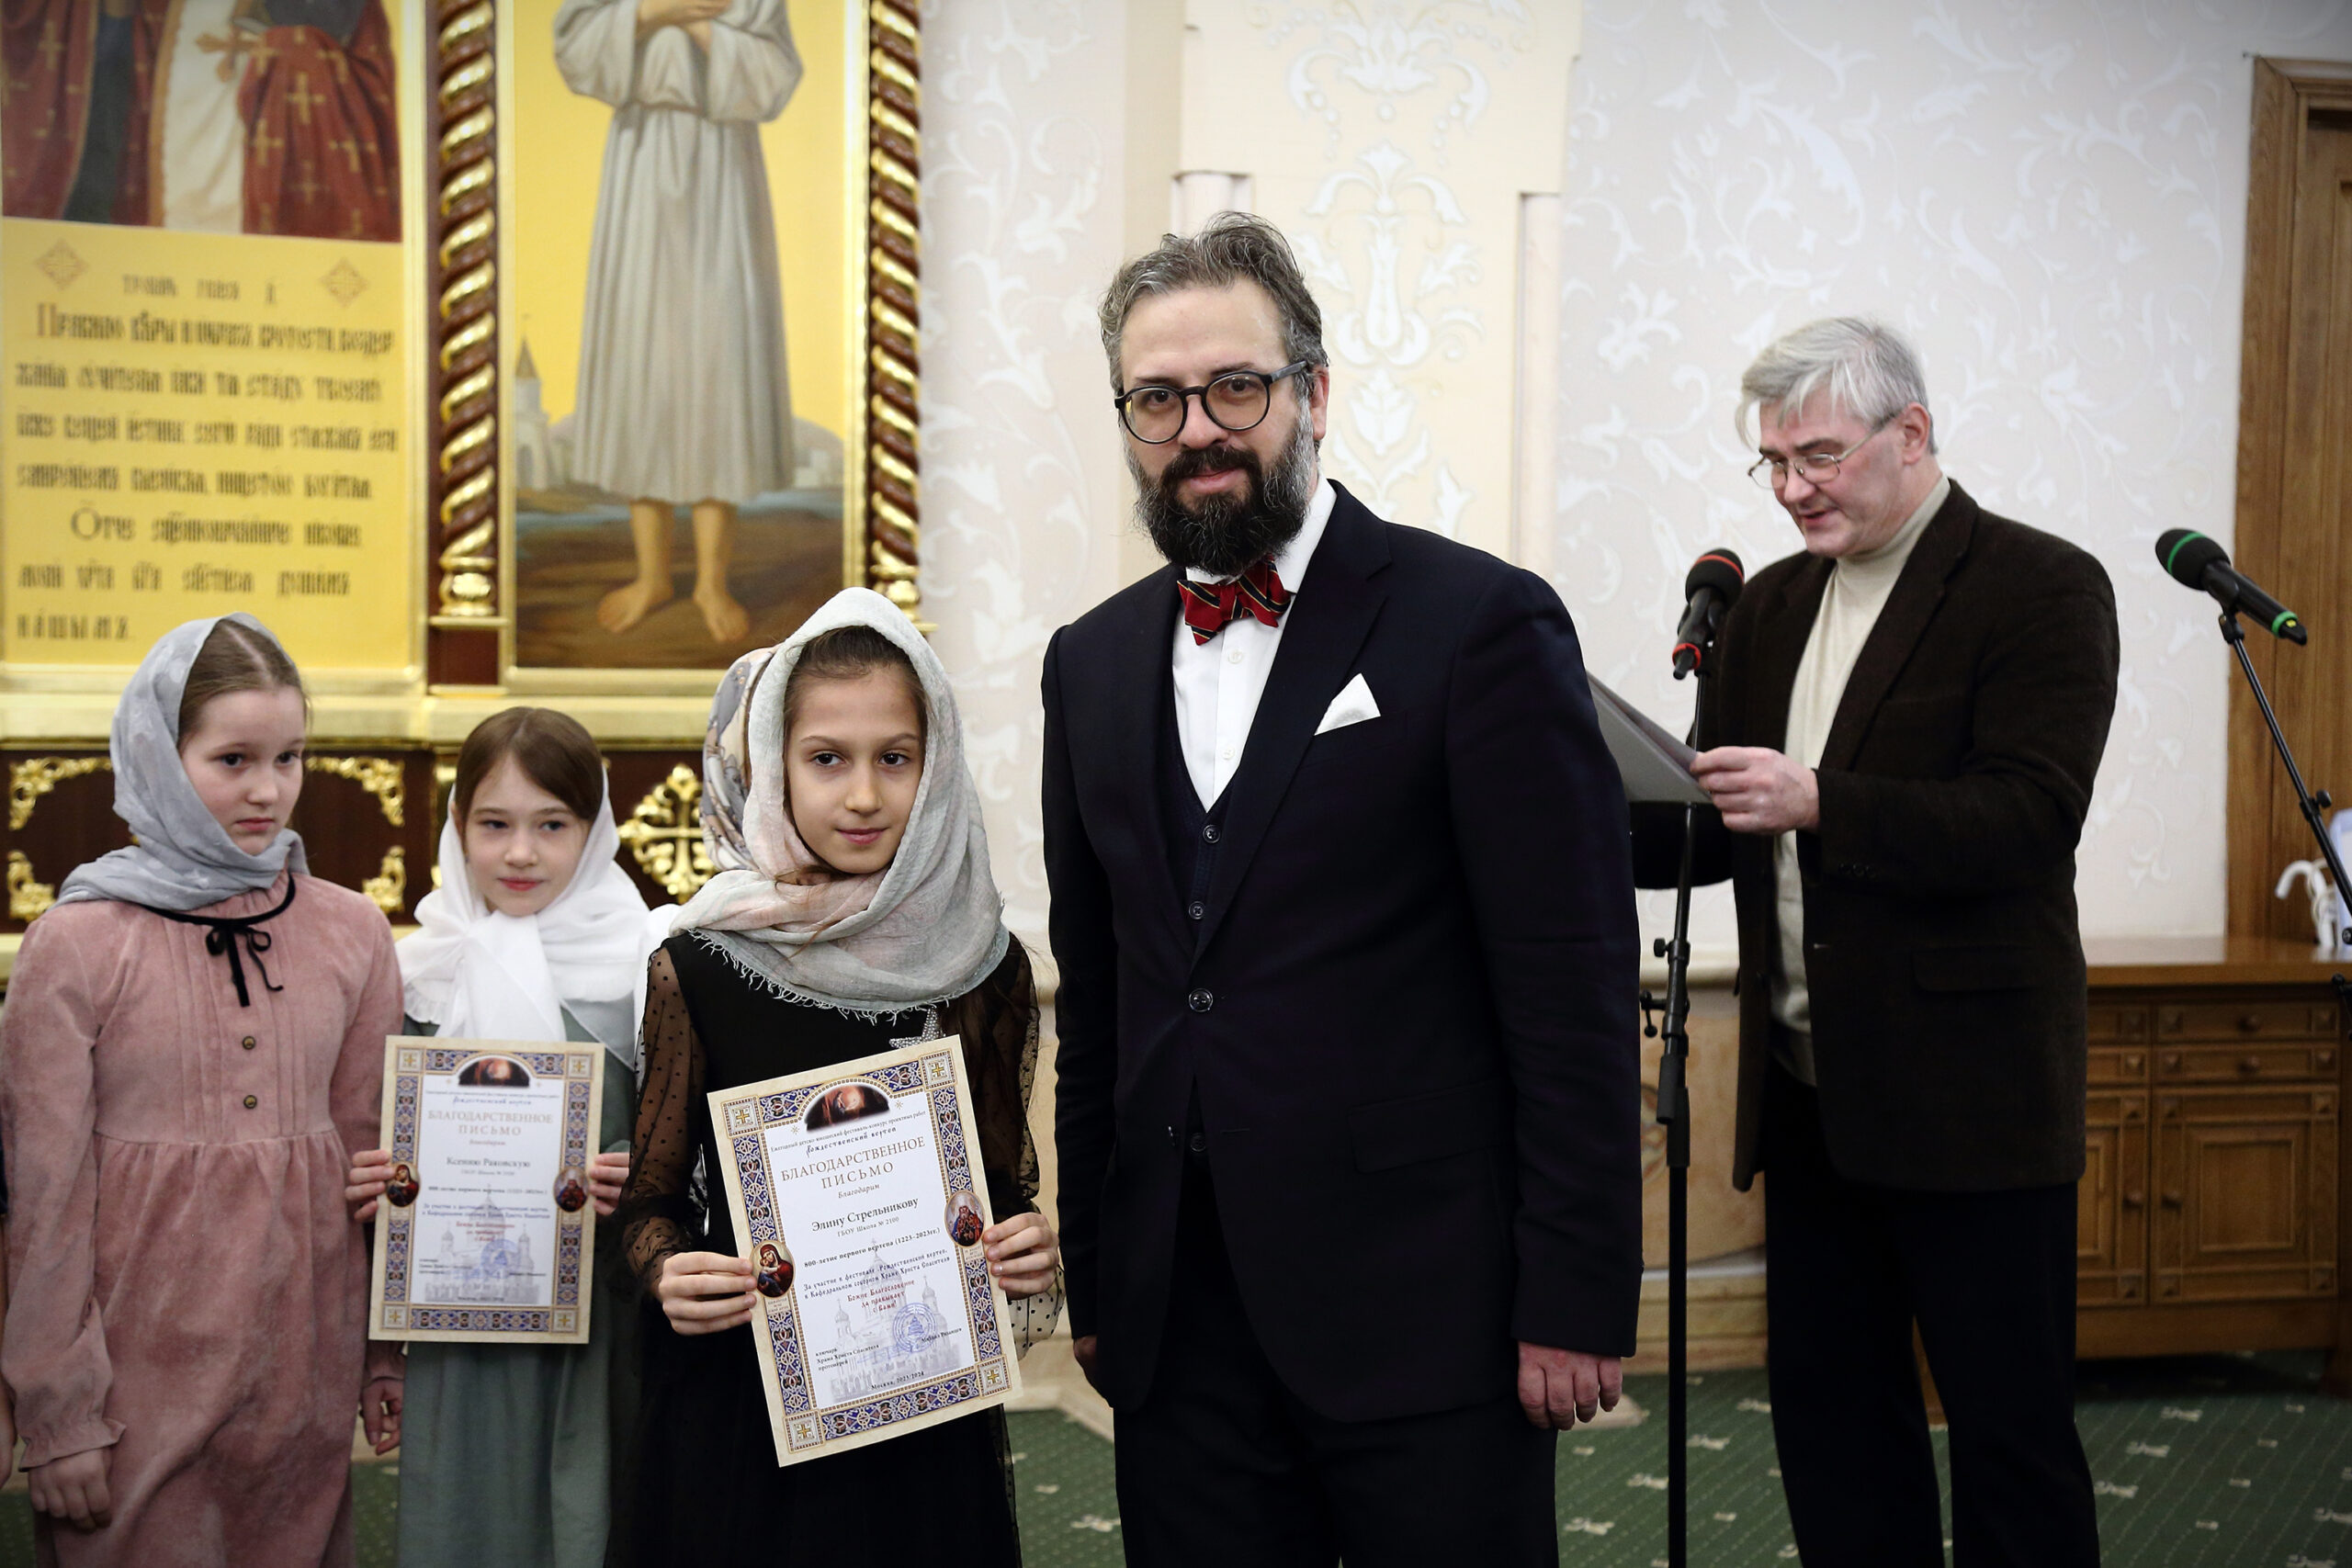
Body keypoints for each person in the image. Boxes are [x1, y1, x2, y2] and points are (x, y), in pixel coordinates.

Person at [1042, 212, 1643, 1566]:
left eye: (1234, 387)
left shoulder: (1477, 621)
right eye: (1157, 398)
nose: (1197, 429)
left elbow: (1571, 987)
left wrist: (1575, 1288)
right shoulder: (1089, 661)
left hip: (1425, 1308)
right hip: (1177, 1318)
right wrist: (1099, 1275)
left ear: (1313, 393)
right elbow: (1106, 1002)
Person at [1642, 317, 2119, 1566]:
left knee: (2011, 1443)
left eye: (1819, 455)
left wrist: (1822, 800)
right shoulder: (1767, 604)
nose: (1792, 486)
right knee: (1837, 1432)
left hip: (1972, 1102)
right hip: (1813, 1099)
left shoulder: (2039, 585)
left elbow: (2028, 816)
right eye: (1773, 461)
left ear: (1910, 433)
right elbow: (1727, 826)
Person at [622, 588, 1063, 1565]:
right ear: (771, 763)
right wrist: (665, 1267)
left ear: (935, 765)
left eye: (894, 758)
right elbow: (651, 1197)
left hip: (919, 1406)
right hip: (745, 1398)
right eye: (826, 758)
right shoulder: (699, 964)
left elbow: (996, 1191)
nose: (863, 795)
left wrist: (1023, 1247)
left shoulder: (982, 967)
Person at [0, 614, 404, 1564]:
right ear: (157, 755)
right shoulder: (76, 943)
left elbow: (375, 1168)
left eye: (290, 757)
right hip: (130, 1383)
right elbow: (44, 1199)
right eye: (233, 760)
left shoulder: (353, 932)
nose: (269, 790)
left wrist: (384, 1353)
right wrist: (60, 1414)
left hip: (301, 1377)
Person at [343, 705, 658, 1568]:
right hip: (462, 1328)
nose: (521, 853)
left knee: (598, 1510)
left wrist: (643, 1172)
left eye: (552, 825)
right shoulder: (419, 974)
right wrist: (375, 1179)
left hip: (605, 1318)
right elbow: (380, 1140)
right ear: (456, 825)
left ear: (595, 830)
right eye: (494, 825)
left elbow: (683, 1139)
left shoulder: (644, 967)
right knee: (468, 1520)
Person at [553, 0, 800, 643]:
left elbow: (775, 73)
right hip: (639, 165)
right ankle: (653, 576)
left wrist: (694, 23)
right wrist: (655, 10)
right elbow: (575, 48)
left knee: (719, 365)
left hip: (723, 169)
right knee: (643, 363)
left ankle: (712, 581)